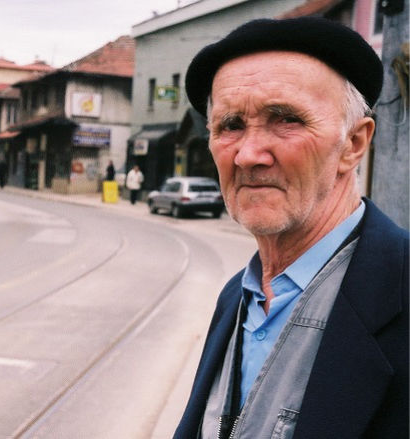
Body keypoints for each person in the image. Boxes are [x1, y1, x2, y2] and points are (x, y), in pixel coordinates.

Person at [174, 17, 408, 439]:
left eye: (285, 119)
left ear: (353, 144)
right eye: (230, 126)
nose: (247, 154)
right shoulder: (237, 295)